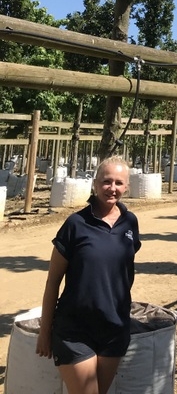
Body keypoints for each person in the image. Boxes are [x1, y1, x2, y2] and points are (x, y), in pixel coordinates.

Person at [36, 156, 141, 394]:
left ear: (127, 187)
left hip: (114, 328)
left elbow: (125, 273)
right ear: (94, 184)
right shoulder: (75, 224)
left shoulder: (130, 223)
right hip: (75, 329)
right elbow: (53, 281)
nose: (112, 188)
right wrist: (45, 332)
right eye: (106, 181)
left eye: (118, 182)